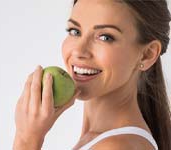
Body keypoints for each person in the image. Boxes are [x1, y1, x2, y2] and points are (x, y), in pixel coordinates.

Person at [13, 0, 171, 149]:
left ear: (147, 55)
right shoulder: (103, 140)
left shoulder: (116, 147)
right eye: (75, 31)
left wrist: (26, 140)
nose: (79, 51)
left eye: (105, 37)